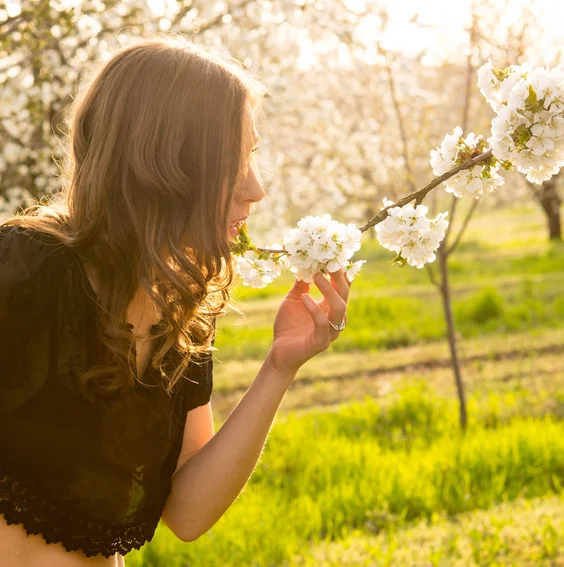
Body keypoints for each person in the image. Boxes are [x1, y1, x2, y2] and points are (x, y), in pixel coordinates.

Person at [0, 35, 351, 566]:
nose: (255, 189)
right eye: (232, 160)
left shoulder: (178, 315)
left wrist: (281, 365)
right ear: (164, 164)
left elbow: (186, 514)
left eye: (250, 157)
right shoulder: (21, 270)